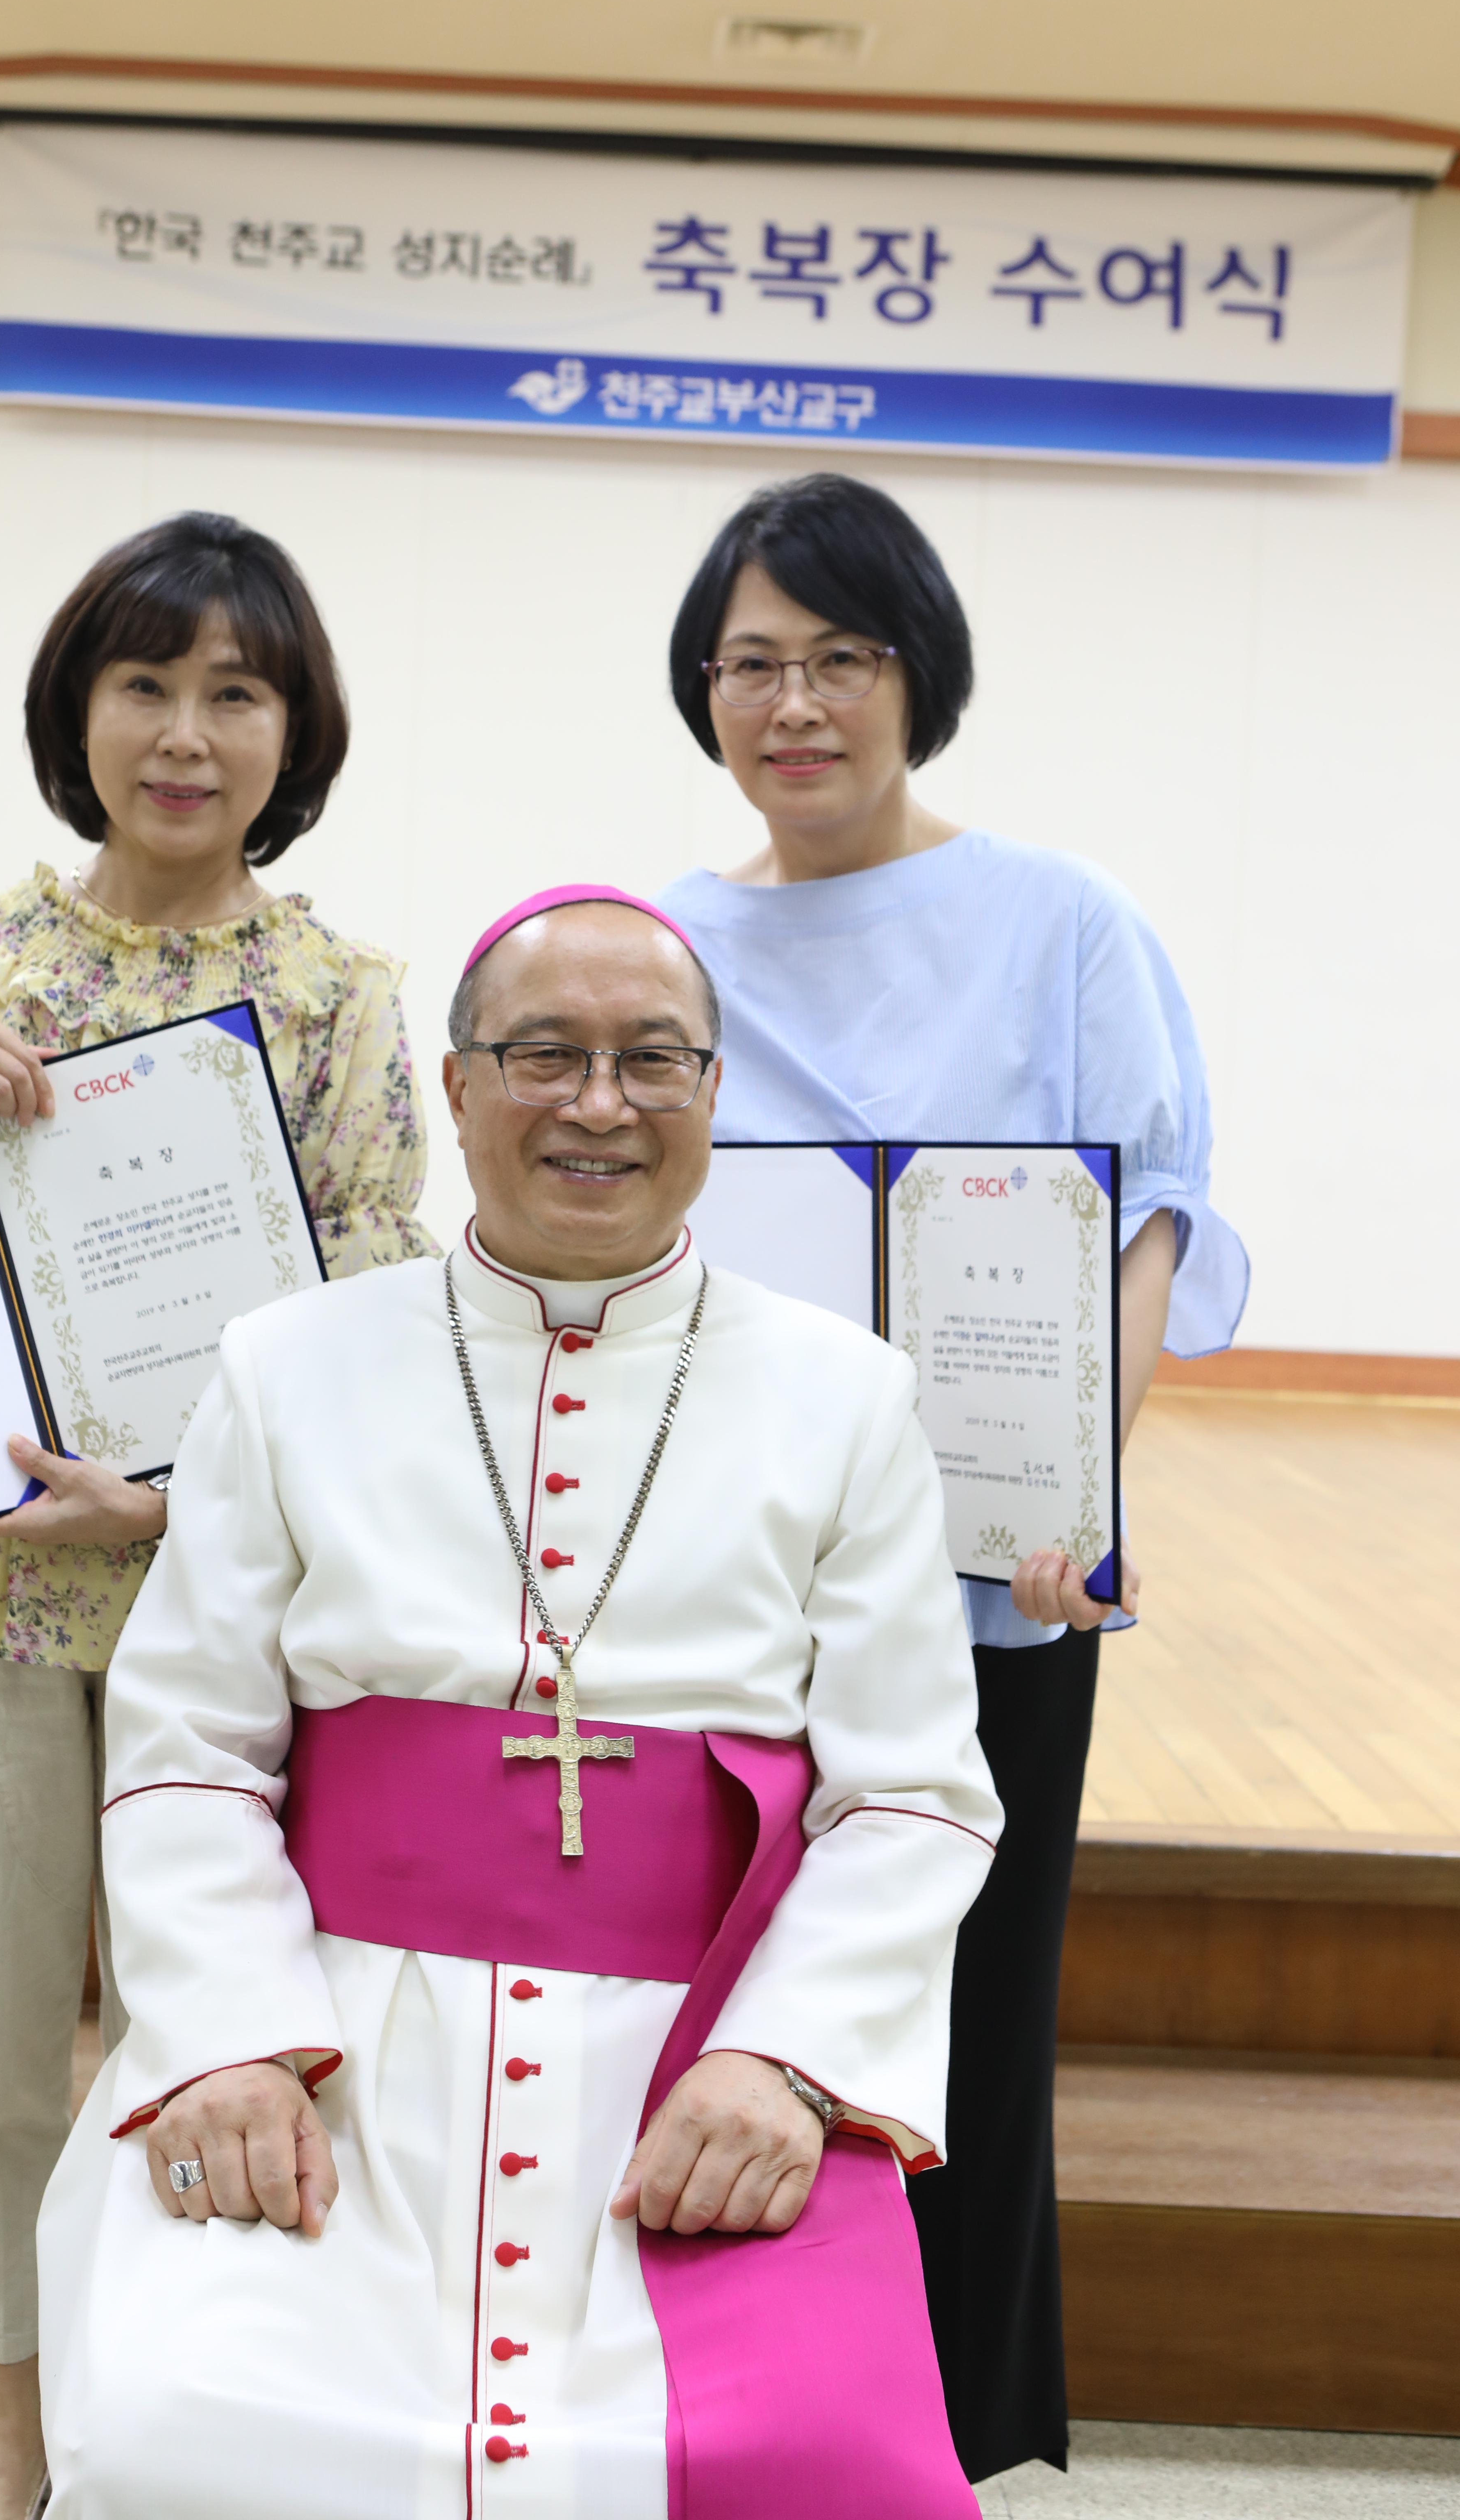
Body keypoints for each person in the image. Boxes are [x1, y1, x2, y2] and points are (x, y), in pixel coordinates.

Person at [37, 883, 1002, 2520]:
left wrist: (782, 2064)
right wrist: (230, 2044)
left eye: (652, 1061)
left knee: (820, 2467)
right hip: (335, 2031)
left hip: (692, 2054)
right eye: (544, 1054)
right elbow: (188, 1751)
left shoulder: (846, 1397)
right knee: (178, 2429)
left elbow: (911, 1793)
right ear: (461, 1083)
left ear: (714, 1090)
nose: (598, 1104)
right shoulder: (286, 1364)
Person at [0, 511, 436, 2520]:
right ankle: (13, 2417)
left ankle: (176, 2399)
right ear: (77, 709)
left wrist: (165, 1507)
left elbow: (364, 1305)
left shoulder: (339, 997)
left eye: (235, 693)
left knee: (221, 2020)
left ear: (293, 729)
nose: (186, 733)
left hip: (216, 1600)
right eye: (145, 683)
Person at [655, 473, 1249, 2483]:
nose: (793, 703)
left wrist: (1080, 1495)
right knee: (721, 2012)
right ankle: (730, 2437)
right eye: (752, 664)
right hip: (718, 1592)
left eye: (842, 657)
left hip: (993, 1585)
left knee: (962, 2041)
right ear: (702, 689)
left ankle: (945, 2454)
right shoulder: (666, 940)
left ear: (921, 677)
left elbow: (1148, 1219)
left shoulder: (1062, 919)